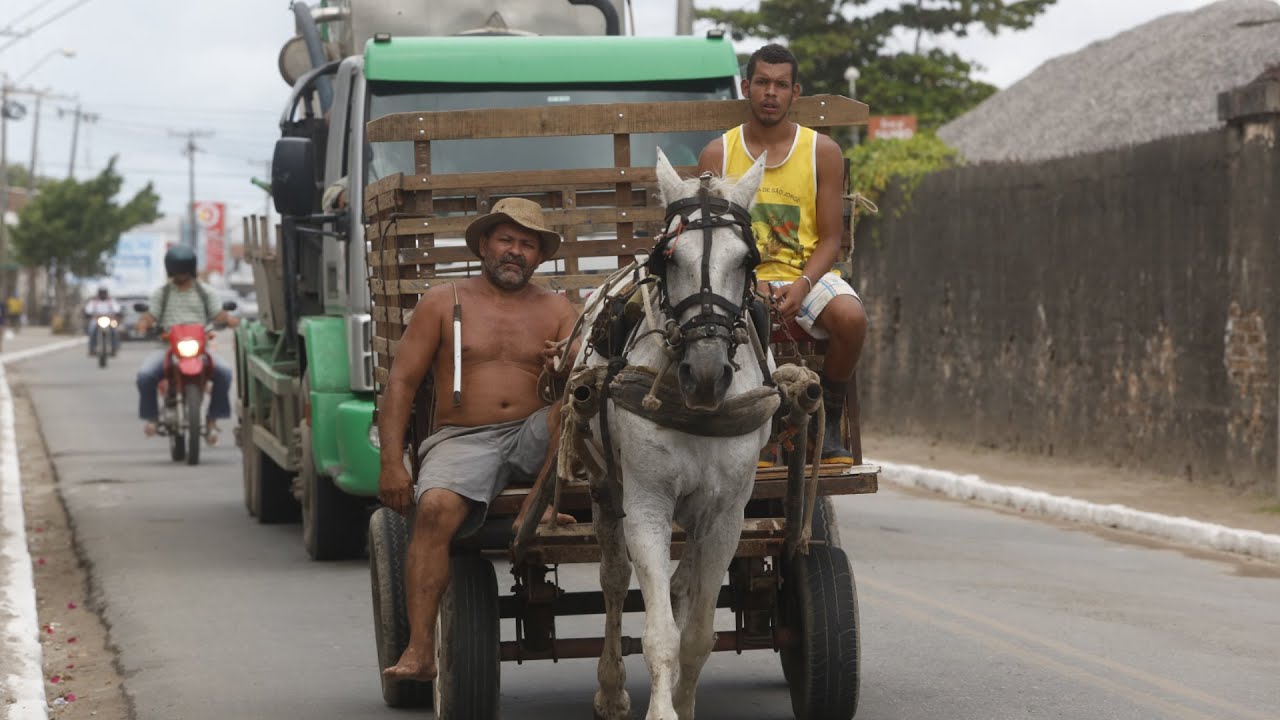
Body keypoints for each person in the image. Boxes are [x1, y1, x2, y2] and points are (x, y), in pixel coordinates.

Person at [377, 197, 577, 682]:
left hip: (534, 434)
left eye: (527, 244)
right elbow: (402, 383)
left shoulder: (558, 309)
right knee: (434, 508)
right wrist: (392, 463)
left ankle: (541, 504)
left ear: (540, 256)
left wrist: (563, 367)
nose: (515, 252)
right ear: (484, 244)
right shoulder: (444, 302)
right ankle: (420, 650)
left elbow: (583, 382)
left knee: (569, 409)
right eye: (506, 240)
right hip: (463, 438)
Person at [698, 43, 869, 465]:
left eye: (780, 85)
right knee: (738, 317)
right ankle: (756, 425)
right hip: (739, 277)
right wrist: (749, 282)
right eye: (761, 83)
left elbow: (830, 239)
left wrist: (803, 284)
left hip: (804, 274)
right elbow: (709, 239)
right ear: (746, 88)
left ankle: (825, 420)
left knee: (852, 318)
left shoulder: (821, 152)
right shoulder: (719, 154)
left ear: (795, 92)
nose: (770, 93)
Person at [134, 245, 239, 443]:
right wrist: (143, 323)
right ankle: (153, 418)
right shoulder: (162, 294)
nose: (181, 275)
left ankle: (212, 419)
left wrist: (230, 320)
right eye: (177, 271)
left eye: (183, 271)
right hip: (168, 348)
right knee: (145, 375)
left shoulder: (206, 292)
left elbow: (217, 313)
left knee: (225, 373)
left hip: (200, 348)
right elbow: (151, 315)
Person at [83, 286, 123, 357]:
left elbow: (117, 309)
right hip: (97, 320)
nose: (103, 295)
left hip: (109, 319)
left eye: (104, 293)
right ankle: (92, 349)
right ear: (98, 294)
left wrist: (117, 313)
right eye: (101, 293)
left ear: (106, 293)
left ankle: (114, 348)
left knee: (115, 330)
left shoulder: (111, 301)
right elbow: (88, 310)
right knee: (91, 330)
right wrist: (88, 314)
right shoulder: (94, 302)